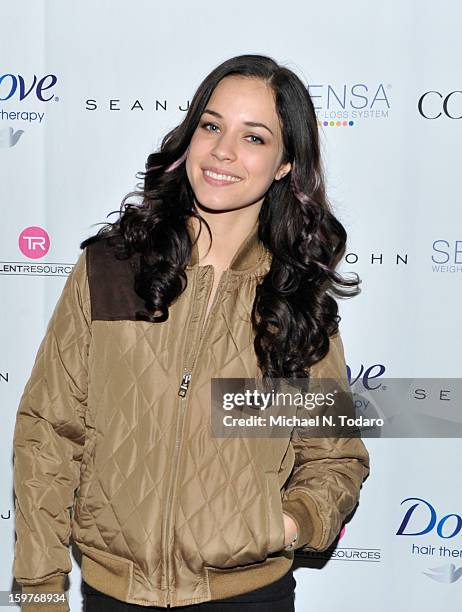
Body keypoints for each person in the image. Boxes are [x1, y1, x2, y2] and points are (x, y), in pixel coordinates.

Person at [12, 54, 370, 611]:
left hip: (248, 595)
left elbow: (333, 457)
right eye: (212, 126)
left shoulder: (293, 294)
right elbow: (49, 435)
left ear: (283, 164)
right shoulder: (112, 267)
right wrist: (38, 592)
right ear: (190, 136)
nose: (224, 151)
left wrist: (287, 524)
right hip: (112, 595)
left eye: (254, 137)